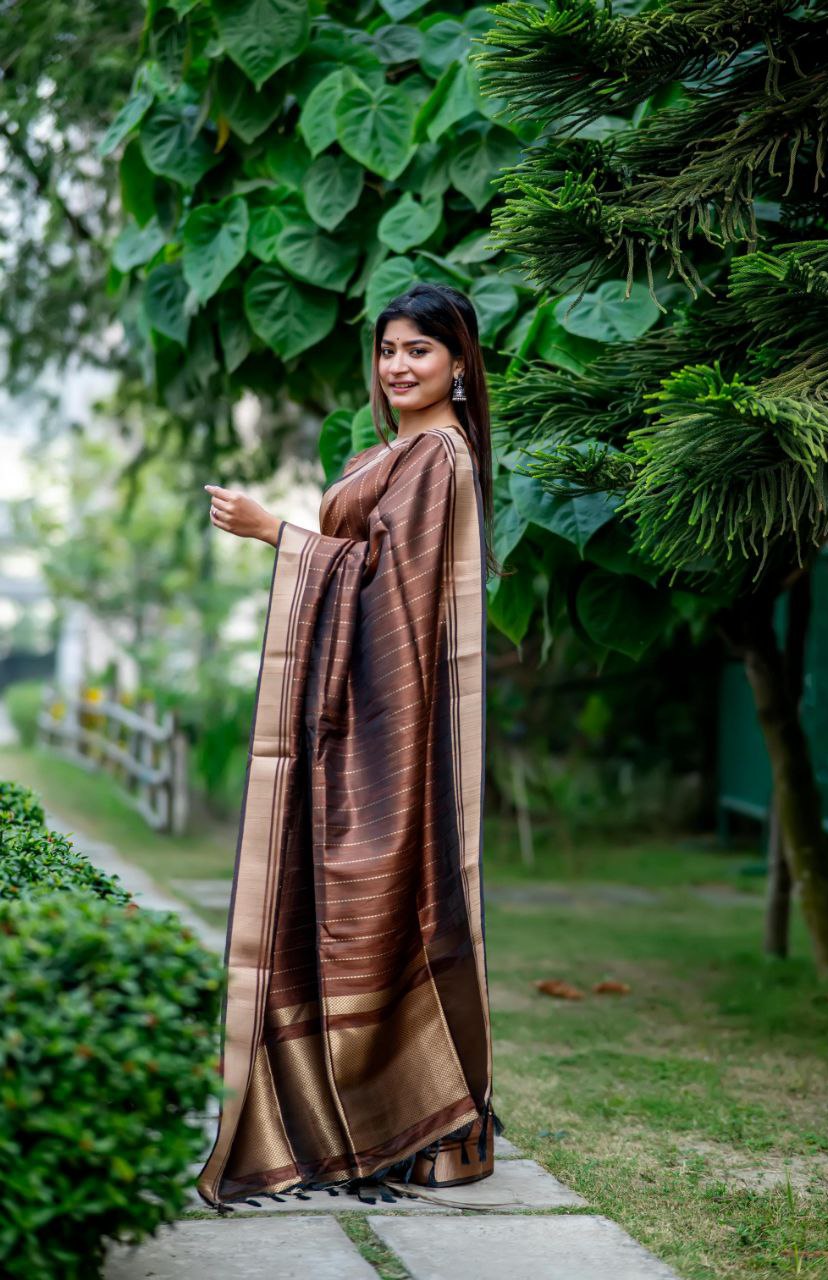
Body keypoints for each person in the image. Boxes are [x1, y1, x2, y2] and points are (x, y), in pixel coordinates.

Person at [196, 281, 503, 1211]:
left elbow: (388, 590)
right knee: (345, 898)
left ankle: (419, 1123)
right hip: (360, 714)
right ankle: (384, 1121)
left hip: (391, 727)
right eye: (388, 350)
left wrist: (275, 534)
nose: (400, 366)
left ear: (458, 362)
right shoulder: (399, 451)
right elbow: (367, 564)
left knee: (385, 895)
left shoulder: (438, 454)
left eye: (421, 350)